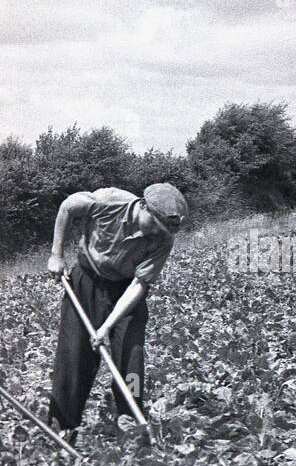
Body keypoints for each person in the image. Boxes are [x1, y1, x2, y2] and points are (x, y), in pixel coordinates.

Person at [44, 182, 188, 439]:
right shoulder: (108, 201)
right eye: (153, 223)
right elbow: (68, 207)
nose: (156, 232)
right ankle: (61, 430)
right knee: (74, 356)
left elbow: (139, 285)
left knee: (130, 361)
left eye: (162, 230)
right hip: (87, 280)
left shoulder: (163, 239)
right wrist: (56, 253)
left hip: (126, 291)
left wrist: (107, 326)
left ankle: (131, 425)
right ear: (142, 206)